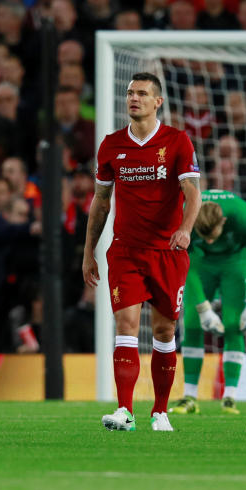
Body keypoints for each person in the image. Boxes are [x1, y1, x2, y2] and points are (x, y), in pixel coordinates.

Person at [82, 72, 201, 432]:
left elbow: (193, 192)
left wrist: (185, 229)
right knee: (127, 326)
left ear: (157, 102)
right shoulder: (111, 145)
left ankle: (160, 411)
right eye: (130, 93)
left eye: (142, 94)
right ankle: (124, 410)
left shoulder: (177, 141)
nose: (134, 98)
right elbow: (101, 202)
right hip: (126, 252)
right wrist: (89, 252)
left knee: (164, 332)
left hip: (167, 251)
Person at [168, 190, 246, 415]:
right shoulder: (186, 216)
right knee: (191, 323)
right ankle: (189, 397)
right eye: (205, 237)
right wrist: (203, 309)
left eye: (213, 235)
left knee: (234, 323)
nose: (210, 240)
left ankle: (230, 397)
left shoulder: (244, 216)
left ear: (223, 221)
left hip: (235, 264)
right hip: (201, 264)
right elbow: (186, 263)